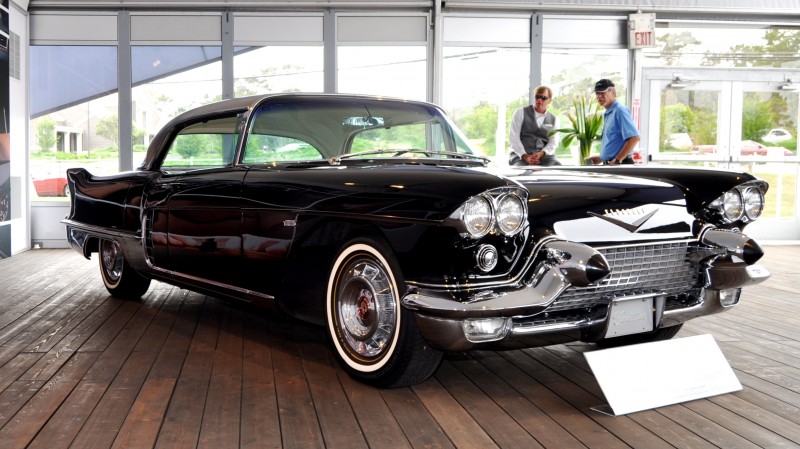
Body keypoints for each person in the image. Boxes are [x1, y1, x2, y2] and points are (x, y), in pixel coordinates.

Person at [508, 85, 561, 166]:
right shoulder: (520, 113)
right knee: (522, 171)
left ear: (550, 100)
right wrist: (524, 155)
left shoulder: (554, 119)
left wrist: (541, 153)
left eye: (543, 98)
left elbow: (553, 142)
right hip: (520, 155)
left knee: (556, 166)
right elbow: (514, 138)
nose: (539, 100)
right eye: (537, 97)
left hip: (544, 156)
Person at [594, 78, 640, 165]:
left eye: (602, 92)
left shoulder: (619, 110)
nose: (599, 96)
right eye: (597, 93)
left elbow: (634, 138)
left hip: (620, 164)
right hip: (612, 164)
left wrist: (618, 159)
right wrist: (602, 158)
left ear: (613, 92)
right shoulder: (609, 113)